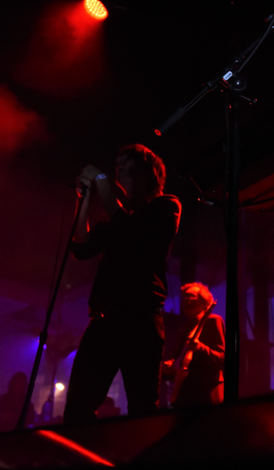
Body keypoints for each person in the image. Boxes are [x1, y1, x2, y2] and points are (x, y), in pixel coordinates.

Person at [62, 144, 182, 424]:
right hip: (104, 321)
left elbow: (130, 231)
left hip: (141, 321)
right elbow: (81, 248)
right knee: (77, 409)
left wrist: (101, 180)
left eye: (123, 161)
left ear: (143, 171)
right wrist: (83, 200)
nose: (116, 166)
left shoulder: (166, 206)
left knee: (142, 410)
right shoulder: (117, 215)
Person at [162, 282, 225, 407]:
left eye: (192, 295)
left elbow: (222, 358)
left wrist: (200, 348)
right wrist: (171, 368)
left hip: (206, 392)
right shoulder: (185, 328)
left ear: (204, 300)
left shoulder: (213, 320)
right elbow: (181, 362)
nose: (187, 299)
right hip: (185, 392)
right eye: (185, 296)